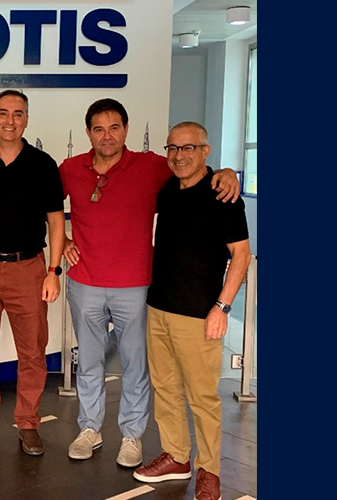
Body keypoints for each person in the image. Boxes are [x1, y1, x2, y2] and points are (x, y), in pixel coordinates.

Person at [58, 98, 241, 468]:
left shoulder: (152, 166)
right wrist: (61, 241)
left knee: (136, 366)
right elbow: (42, 206)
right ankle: (90, 428)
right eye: (98, 129)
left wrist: (227, 172)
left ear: (126, 130)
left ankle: (132, 435)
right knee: (89, 363)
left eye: (114, 128)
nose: (107, 136)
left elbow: (193, 168)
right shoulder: (70, 169)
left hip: (137, 286)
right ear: (88, 133)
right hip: (85, 283)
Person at [132, 122, 250, 500]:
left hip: (199, 314)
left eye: (188, 148)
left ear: (205, 151)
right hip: (159, 307)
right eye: (173, 148)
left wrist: (222, 307)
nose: (179, 156)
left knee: (202, 398)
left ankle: (209, 470)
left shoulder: (223, 194)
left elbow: (241, 255)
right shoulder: (168, 191)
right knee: (166, 390)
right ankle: (177, 457)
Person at [0, 89, 65, 456]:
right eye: (3, 113)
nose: (10, 120)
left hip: (28, 269)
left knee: (32, 352)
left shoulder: (43, 164)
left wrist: (53, 271)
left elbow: (56, 222)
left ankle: (28, 423)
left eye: (18, 114)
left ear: (26, 120)